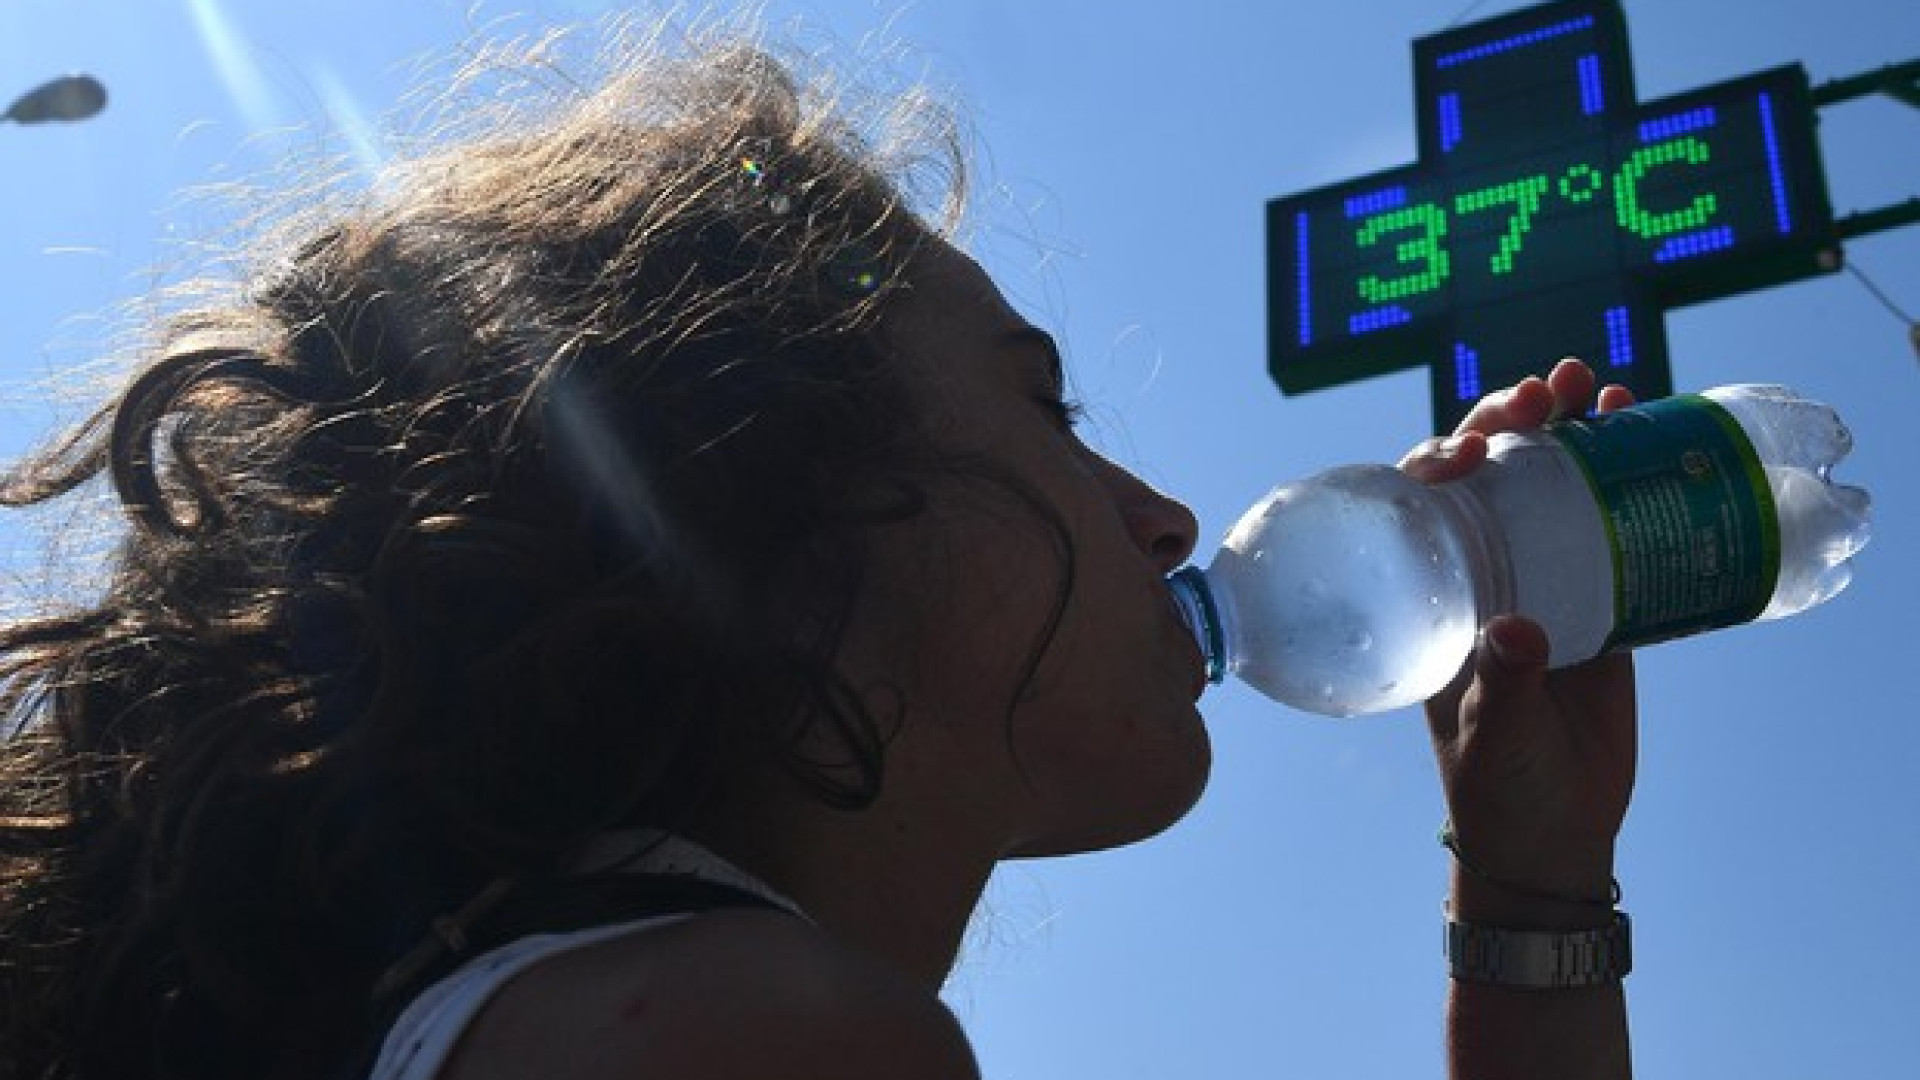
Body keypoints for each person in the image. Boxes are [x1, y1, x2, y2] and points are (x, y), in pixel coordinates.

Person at [0, 15, 1638, 1080]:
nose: (1165, 519)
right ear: (770, 529)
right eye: (1043, 416)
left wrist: (1533, 882)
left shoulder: (535, 1004)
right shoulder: (747, 1039)